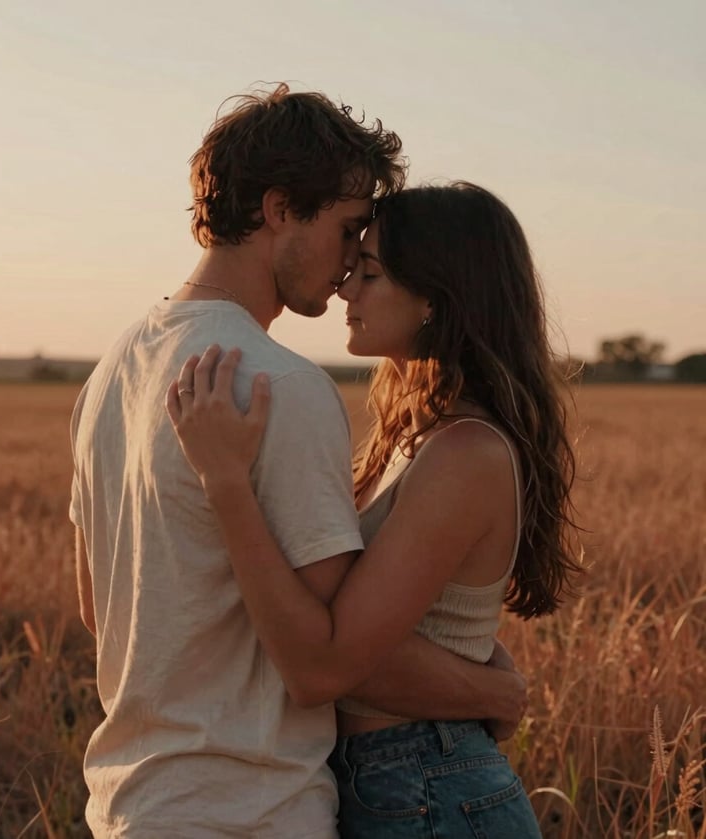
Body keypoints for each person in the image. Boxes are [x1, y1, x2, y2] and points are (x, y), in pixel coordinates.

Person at [70, 86, 528, 839]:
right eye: (349, 228)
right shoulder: (276, 382)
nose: (351, 264)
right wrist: (487, 688)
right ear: (281, 208)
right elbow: (330, 657)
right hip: (250, 810)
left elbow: (103, 608)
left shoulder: (112, 370)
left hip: (134, 802)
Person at [166, 182, 584, 837]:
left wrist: (224, 480)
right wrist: (487, 676)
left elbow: (328, 659)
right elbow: (402, 613)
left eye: (370, 273)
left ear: (432, 297)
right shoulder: (418, 436)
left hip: (428, 782)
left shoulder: (465, 451)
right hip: (398, 777)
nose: (345, 289)